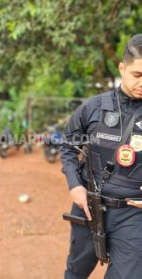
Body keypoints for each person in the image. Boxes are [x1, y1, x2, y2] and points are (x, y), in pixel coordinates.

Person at [61, 33, 142, 279]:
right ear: (122, 68)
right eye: (137, 75)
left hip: (133, 213)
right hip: (88, 207)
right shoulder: (93, 106)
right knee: (75, 272)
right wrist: (74, 186)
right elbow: (68, 146)